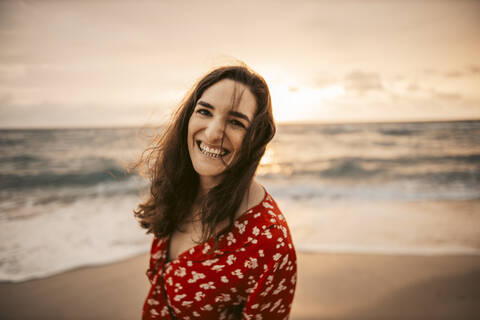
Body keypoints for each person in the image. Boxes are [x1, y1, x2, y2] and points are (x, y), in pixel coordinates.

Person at [135, 64, 297, 320]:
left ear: (255, 139)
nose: (211, 134)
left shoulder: (269, 244)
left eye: (235, 122)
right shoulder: (180, 189)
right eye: (204, 112)